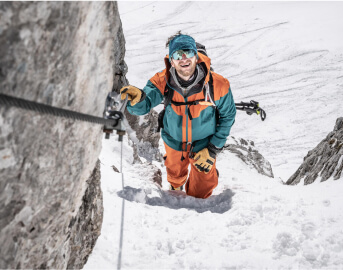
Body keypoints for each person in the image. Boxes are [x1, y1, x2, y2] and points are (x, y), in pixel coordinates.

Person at [120, 32, 236, 199]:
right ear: (171, 60)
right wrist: (137, 100)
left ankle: (207, 176)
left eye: (188, 53)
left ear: (196, 56)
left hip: (203, 144)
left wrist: (212, 149)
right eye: (177, 55)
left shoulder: (217, 84)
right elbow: (145, 105)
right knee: (175, 175)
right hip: (174, 140)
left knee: (200, 194)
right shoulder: (162, 80)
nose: (183, 59)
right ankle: (176, 185)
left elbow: (228, 116)